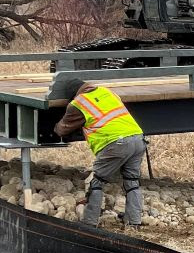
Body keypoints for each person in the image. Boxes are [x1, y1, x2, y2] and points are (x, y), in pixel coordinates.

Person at [54, 79, 146, 227]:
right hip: (138, 138)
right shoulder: (106, 91)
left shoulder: (78, 103)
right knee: (132, 182)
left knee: (96, 182)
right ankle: (134, 222)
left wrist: (55, 126)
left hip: (116, 143)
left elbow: (62, 129)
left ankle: (89, 223)